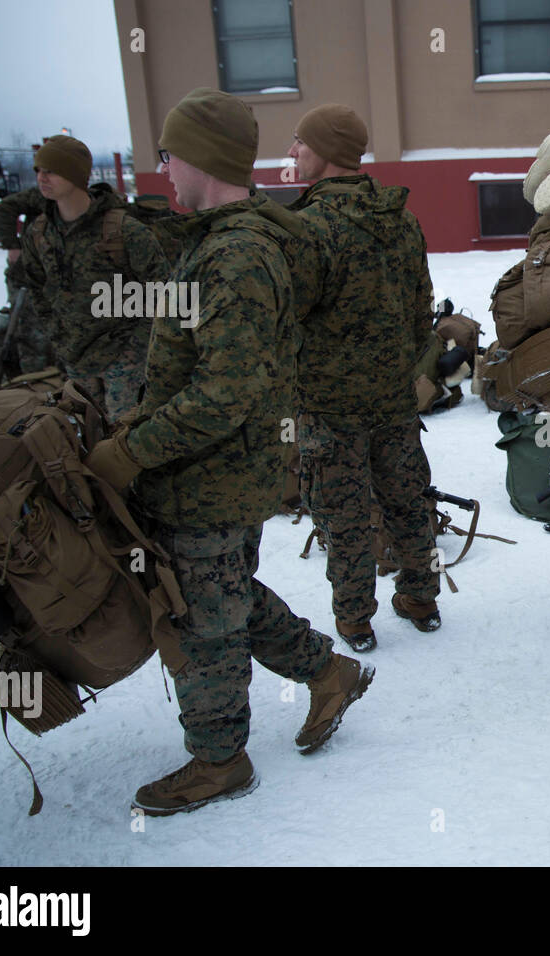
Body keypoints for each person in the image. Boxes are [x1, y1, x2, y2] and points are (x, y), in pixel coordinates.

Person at [85, 88, 372, 816]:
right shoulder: (217, 242)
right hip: (213, 469)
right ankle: (327, 672)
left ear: (200, 158)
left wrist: (132, 452)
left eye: (168, 155)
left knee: (199, 619)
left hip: (210, 475)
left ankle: (219, 761)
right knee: (222, 592)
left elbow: (225, 393)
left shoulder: (236, 255)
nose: (162, 169)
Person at [285, 104, 442, 648]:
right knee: (407, 501)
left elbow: (289, 320)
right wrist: (396, 367)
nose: (292, 152)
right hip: (394, 398)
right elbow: (422, 311)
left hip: (329, 406)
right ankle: (421, 597)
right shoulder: (402, 219)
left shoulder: (307, 228)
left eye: (300, 142)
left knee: (344, 516)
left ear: (327, 152)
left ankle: (354, 619)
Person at [19, 136, 169, 419]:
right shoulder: (39, 234)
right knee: (87, 431)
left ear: (75, 174)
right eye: (38, 170)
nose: (41, 178)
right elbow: (37, 289)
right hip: (75, 357)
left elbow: (162, 291)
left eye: (51, 170)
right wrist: (57, 335)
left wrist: (136, 347)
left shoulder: (124, 230)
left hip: (124, 359)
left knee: (125, 434)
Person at [0, 185, 54, 372]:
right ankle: (34, 380)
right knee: (29, 334)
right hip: (27, 278)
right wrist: (12, 245)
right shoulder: (43, 194)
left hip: (58, 280)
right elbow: (4, 208)